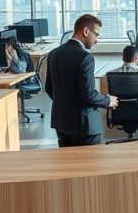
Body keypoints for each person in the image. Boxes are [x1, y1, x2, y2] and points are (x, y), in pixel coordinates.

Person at [44, 14, 119, 147]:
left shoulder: (54, 53)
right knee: (90, 167)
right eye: (96, 35)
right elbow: (88, 94)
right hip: (85, 127)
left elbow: (49, 89)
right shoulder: (85, 58)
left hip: (61, 124)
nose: (97, 40)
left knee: (67, 166)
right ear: (86, 31)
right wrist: (107, 100)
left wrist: (66, 106)